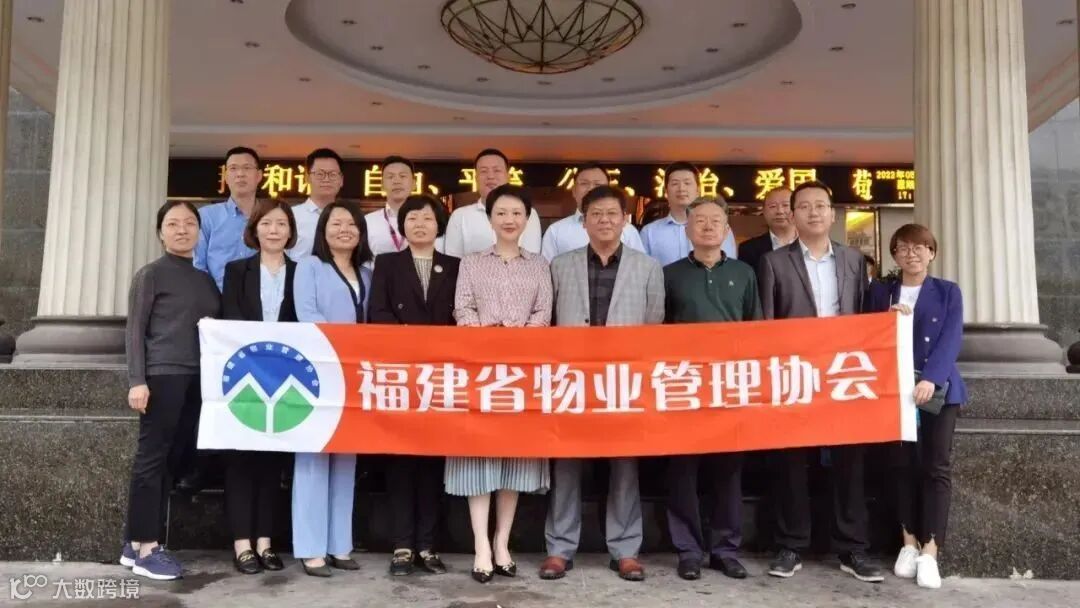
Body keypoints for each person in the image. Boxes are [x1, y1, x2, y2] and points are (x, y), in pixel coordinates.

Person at [757, 180, 884, 583]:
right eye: (805, 206)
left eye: (821, 206)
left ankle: (852, 548)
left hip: (843, 373)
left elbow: (864, 315)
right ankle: (791, 545)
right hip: (795, 373)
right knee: (793, 462)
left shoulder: (852, 260)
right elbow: (766, 322)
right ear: (792, 215)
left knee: (849, 461)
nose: (813, 212)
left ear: (832, 214)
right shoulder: (773, 262)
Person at [542, 185, 664, 583]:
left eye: (612, 213)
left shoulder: (648, 267)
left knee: (625, 464)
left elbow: (654, 325)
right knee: (566, 463)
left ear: (625, 219)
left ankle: (625, 550)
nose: (605, 221)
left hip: (623, 382)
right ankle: (559, 548)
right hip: (572, 380)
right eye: (596, 214)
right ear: (584, 221)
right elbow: (550, 321)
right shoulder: (560, 265)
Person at [447, 184, 553, 584]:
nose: (509, 220)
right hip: (480, 372)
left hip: (522, 374)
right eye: (501, 213)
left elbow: (543, 313)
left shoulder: (539, 265)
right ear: (490, 219)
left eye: (517, 213)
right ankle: (481, 546)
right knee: (480, 457)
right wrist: (489, 340)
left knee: (514, 458)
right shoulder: (471, 263)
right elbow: (462, 308)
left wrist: (517, 340)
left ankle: (502, 542)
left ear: (527, 219)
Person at [120, 201, 220, 580]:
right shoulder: (151, 274)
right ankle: (148, 549)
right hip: (162, 376)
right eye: (173, 224)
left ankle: (134, 542)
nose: (182, 230)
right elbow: (134, 330)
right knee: (151, 460)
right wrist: (137, 380)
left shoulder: (204, 279)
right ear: (160, 232)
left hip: (196, 378)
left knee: (170, 461)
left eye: (190, 223)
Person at [663, 197, 761, 582]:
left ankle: (725, 550)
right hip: (683, 386)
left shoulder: (744, 273)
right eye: (699, 220)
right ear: (687, 229)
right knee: (682, 472)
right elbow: (657, 330)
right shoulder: (669, 274)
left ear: (726, 229)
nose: (707, 226)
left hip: (730, 387)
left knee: (728, 472)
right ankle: (688, 550)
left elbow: (755, 330)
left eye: (715, 221)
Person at [867, 224, 966, 590]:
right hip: (894, 391)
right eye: (903, 248)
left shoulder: (947, 291)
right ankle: (908, 543)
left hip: (936, 391)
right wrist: (887, 321)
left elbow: (951, 338)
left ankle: (930, 551)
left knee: (935, 468)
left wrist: (932, 378)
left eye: (919, 247)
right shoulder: (880, 292)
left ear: (931, 253)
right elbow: (868, 334)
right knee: (901, 466)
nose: (911, 254)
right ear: (894, 255)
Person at [368, 194, 459, 577]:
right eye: (412, 218)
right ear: (402, 225)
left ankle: (427, 545)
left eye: (427, 218)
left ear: (439, 225)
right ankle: (402, 545)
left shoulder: (455, 266)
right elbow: (377, 313)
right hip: (401, 375)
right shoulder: (387, 264)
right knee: (401, 463)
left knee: (433, 463)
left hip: (441, 375)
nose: (420, 224)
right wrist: (412, 340)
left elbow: (460, 315)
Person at [291, 201, 373, 577]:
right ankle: (311, 549)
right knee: (313, 457)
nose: (345, 229)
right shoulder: (309, 266)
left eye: (352, 224)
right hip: (320, 371)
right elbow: (307, 314)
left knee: (345, 459)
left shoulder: (367, 273)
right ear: (323, 229)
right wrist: (342, 348)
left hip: (355, 375)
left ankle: (339, 545)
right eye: (336, 223)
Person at [219, 200, 299, 575]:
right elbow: (231, 319)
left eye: (281, 223)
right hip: (245, 377)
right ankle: (242, 544)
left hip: (285, 378)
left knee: (272, 462)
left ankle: (265, 542)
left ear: (290, 231)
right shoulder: (237, 270)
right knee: (240, 460)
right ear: (255, 229)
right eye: (266, 223)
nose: (273, 230)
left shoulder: (301, 273)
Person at [443, 149, 542, 256]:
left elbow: (532, 256)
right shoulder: (460, 216)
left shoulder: (528, 212)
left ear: (508, 177)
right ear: (475, 178)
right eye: (484, 171)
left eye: (497, 170)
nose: (490, 176)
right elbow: (452, 260)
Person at [540, 162, 644, 261]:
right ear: (574, 191)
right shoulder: (556, 231)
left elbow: (641, 267)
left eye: (597, 184)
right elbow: (546, 270)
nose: (590, 189)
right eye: (584, 183)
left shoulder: (628, 231)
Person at [639, 163, 737, 264]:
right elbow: (641, 268)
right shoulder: (650, 232)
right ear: (666, 191)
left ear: (698, 190)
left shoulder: (719, 228)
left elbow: (729, 265)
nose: (681, 189)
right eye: (675, 184)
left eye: (687, 183)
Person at [195, 146, 262, 290]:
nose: (240, 174)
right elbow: (198, 265)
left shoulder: (270, 216)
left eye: (247, 168)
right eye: (233, 168)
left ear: (259, 176)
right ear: (225, 176)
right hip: (217, 298)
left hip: (262, 299)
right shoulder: (206, 216)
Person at [364, 156, 445, 258]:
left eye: (402, 176)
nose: (396, 181)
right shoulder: (368, 222)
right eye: (390, 177)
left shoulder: (433, 220)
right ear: (382, 185)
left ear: (414, 183)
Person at [289, 148, 345, 260]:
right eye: (320, 174)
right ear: (307, 178)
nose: (326, 179)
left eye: (333, 174)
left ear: (341, 180)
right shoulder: (291, 216)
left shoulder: (350, 219)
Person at [737, 186, 796, 271]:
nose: (779, 211)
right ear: (764, 211)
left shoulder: (811, 244)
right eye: (772, 206)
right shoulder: (748, 249)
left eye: (785, 205)